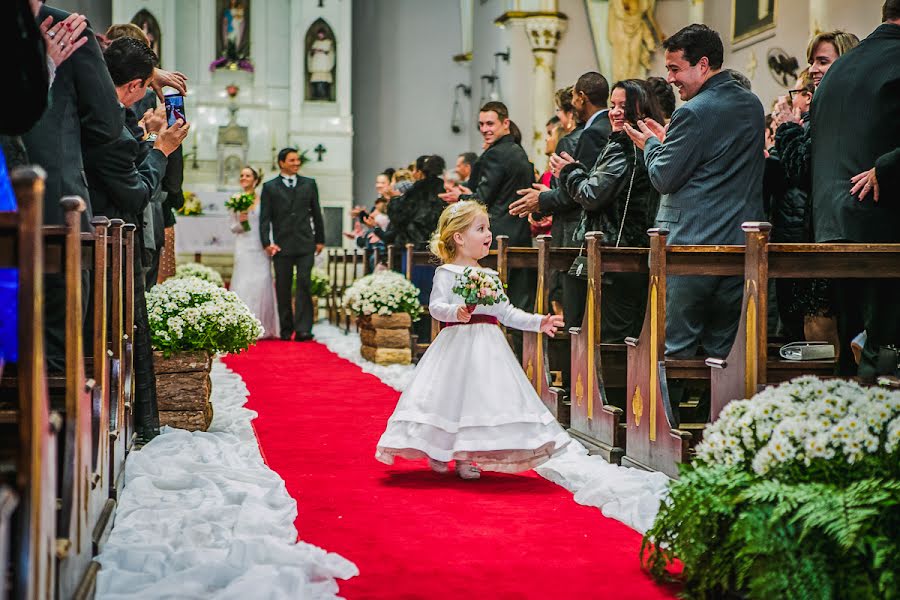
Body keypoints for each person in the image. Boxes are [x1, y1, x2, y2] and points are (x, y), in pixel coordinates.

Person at [375, 201, 568, 479]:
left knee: (480, 400)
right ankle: (439, 451)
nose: (488, 234)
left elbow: (505, 312)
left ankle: (468, 457)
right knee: (448, 398)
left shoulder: (489, 275)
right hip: (456, 343)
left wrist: (539, 322)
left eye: (488, 228)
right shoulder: (447, 273)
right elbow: (435, 307)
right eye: (481, 229)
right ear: (459, 237)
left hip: (489, 347)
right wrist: (457, 311)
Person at [625, 24, 765, 359]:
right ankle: (717, 413)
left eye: (675, 69)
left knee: (675, 347)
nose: (670, 78)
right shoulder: (751, 104)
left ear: (703, 64)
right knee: (724, 353)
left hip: (690, 246)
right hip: (739, 246)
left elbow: (663, 177)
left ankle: (670, 413)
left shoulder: (693, 111)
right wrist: (669, 141)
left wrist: (653, 145)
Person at [84, 37, 189, 442]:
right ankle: (131, 422)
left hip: (107, 240)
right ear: (133, 87)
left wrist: (146, 135)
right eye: (145, 85)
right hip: (110, 244)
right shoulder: (108, 123)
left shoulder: (98, 110)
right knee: (121, 330)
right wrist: (161, 149)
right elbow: (135, 192)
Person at [810, 0, 900, 380]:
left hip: (833, 222)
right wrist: (888, 165)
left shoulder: (841, 67)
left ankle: (849, 430)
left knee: (852, 343)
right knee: (885, 350)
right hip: (884, 221)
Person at [555, 79, 664, 342]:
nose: (614, 112)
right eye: (613, 105)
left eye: (622, 106)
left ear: (640, 108)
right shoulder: (632, 144)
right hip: (625, 256)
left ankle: (603, 385)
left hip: (615, 258)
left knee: (607, 339)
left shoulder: (626, 147)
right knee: (612, 336)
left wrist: (569, 171)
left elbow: (592, 195)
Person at [440, 101, 535, 316]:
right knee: (519, 303)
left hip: (495, 237)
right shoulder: (518, 152)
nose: (484, 129)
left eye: (490, 123)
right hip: (519, 235)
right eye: (481, 124)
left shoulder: (495, 154)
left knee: (487, 303)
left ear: (505, 123)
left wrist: (460, 196)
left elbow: (482, 199)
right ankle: (520, 349)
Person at [259, 147, 325, 342]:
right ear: (282, 163)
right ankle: (286, 329)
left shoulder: (309, 184)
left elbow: (316, 212)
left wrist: (320, 239)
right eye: (292, 160)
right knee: (283, 287)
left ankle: (304, 329)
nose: (296, 163)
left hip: (305, 243)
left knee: (304, 283)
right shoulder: (270, 187)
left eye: (298, 161)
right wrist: (266, 243)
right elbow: (265, 218)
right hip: (282, 244)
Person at [229, 166, 279, 339]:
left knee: (263, 280)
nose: (244, 178)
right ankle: (243, 325)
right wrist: (241, 221)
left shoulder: (263, 199)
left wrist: (270, 243)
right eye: (242, 175)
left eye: (248, 175)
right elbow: (233, 227)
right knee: (243, 281)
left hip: (261, 244)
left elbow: (269, 223)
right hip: (243, 244)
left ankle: (263, 324)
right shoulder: (236, 199)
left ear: (255, 180)